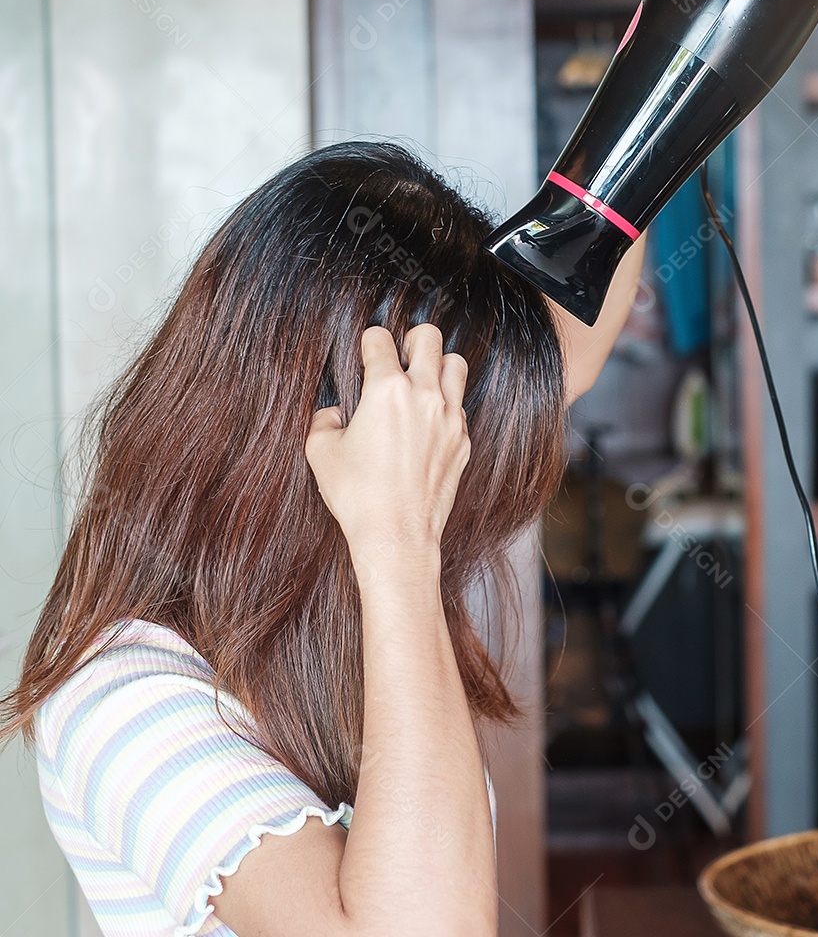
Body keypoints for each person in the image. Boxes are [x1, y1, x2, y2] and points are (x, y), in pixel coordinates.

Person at [0, 140, 647, 937]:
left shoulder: (334, 610)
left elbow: (567, 351)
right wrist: (400, 542)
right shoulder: (123, 698)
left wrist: (677, 75)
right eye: (436, 452)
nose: (458, 496)